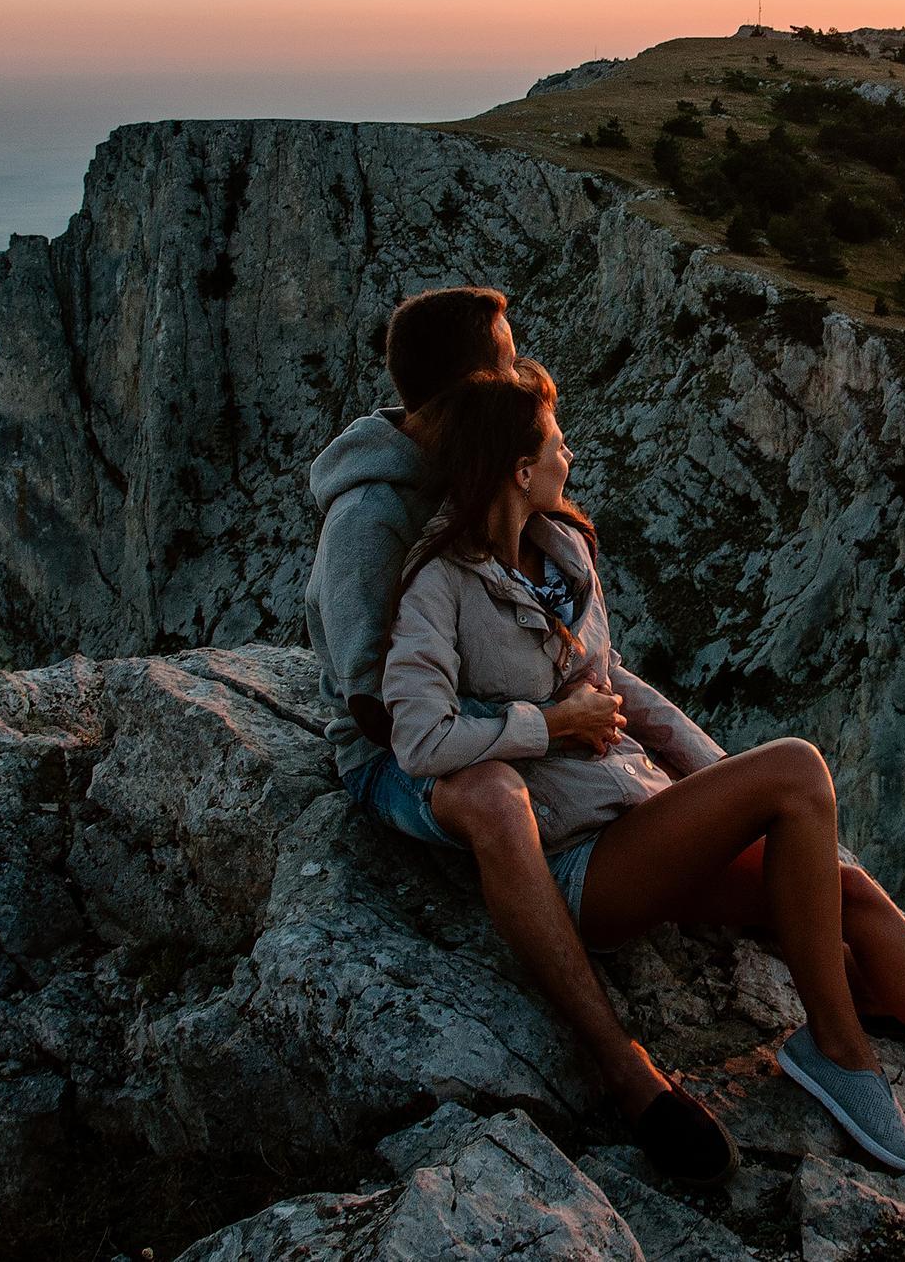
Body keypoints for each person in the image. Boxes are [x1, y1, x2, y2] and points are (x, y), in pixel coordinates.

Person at [375, 359, 905, 1184]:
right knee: (795, 767)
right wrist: (548, 724)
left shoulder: (562, 547)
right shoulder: (442, 584)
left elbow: (616, 680)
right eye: (556, 442)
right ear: (520, 469)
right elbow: (420, 738)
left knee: (849, 891)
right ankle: (837, 1048)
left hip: (642, 812)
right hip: (582, 859)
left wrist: (711, 777)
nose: (571, 453)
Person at [304, 286, 739, 1185]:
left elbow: (595, 667)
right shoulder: (367, 520)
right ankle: (625, 1071)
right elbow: (373, 709)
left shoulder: (493, 475)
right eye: (506, 360)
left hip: (491, 715)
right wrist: (537, 729)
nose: (523, 375)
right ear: (471, 384)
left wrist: (712, 775)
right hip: (395, 753)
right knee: (498, 798)